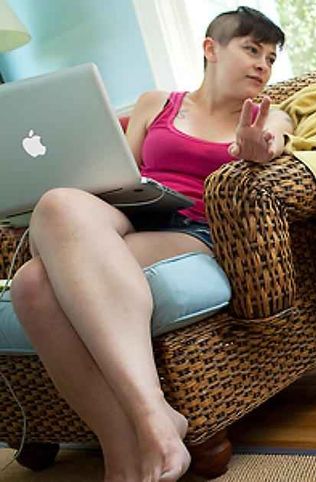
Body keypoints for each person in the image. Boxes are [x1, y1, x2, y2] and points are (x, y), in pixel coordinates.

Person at [9, 7, 292, 481]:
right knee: (57, 204)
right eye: (251, 49)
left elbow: (272, 143)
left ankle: (144, 428)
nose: (262, 64)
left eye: (270, 57)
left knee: (32, 284)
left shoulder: (268, 114)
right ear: (211, 49)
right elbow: (119, 169)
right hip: (132, 215)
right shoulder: (155, 103)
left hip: (191, 231)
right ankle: (135, 434)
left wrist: (255, 146)